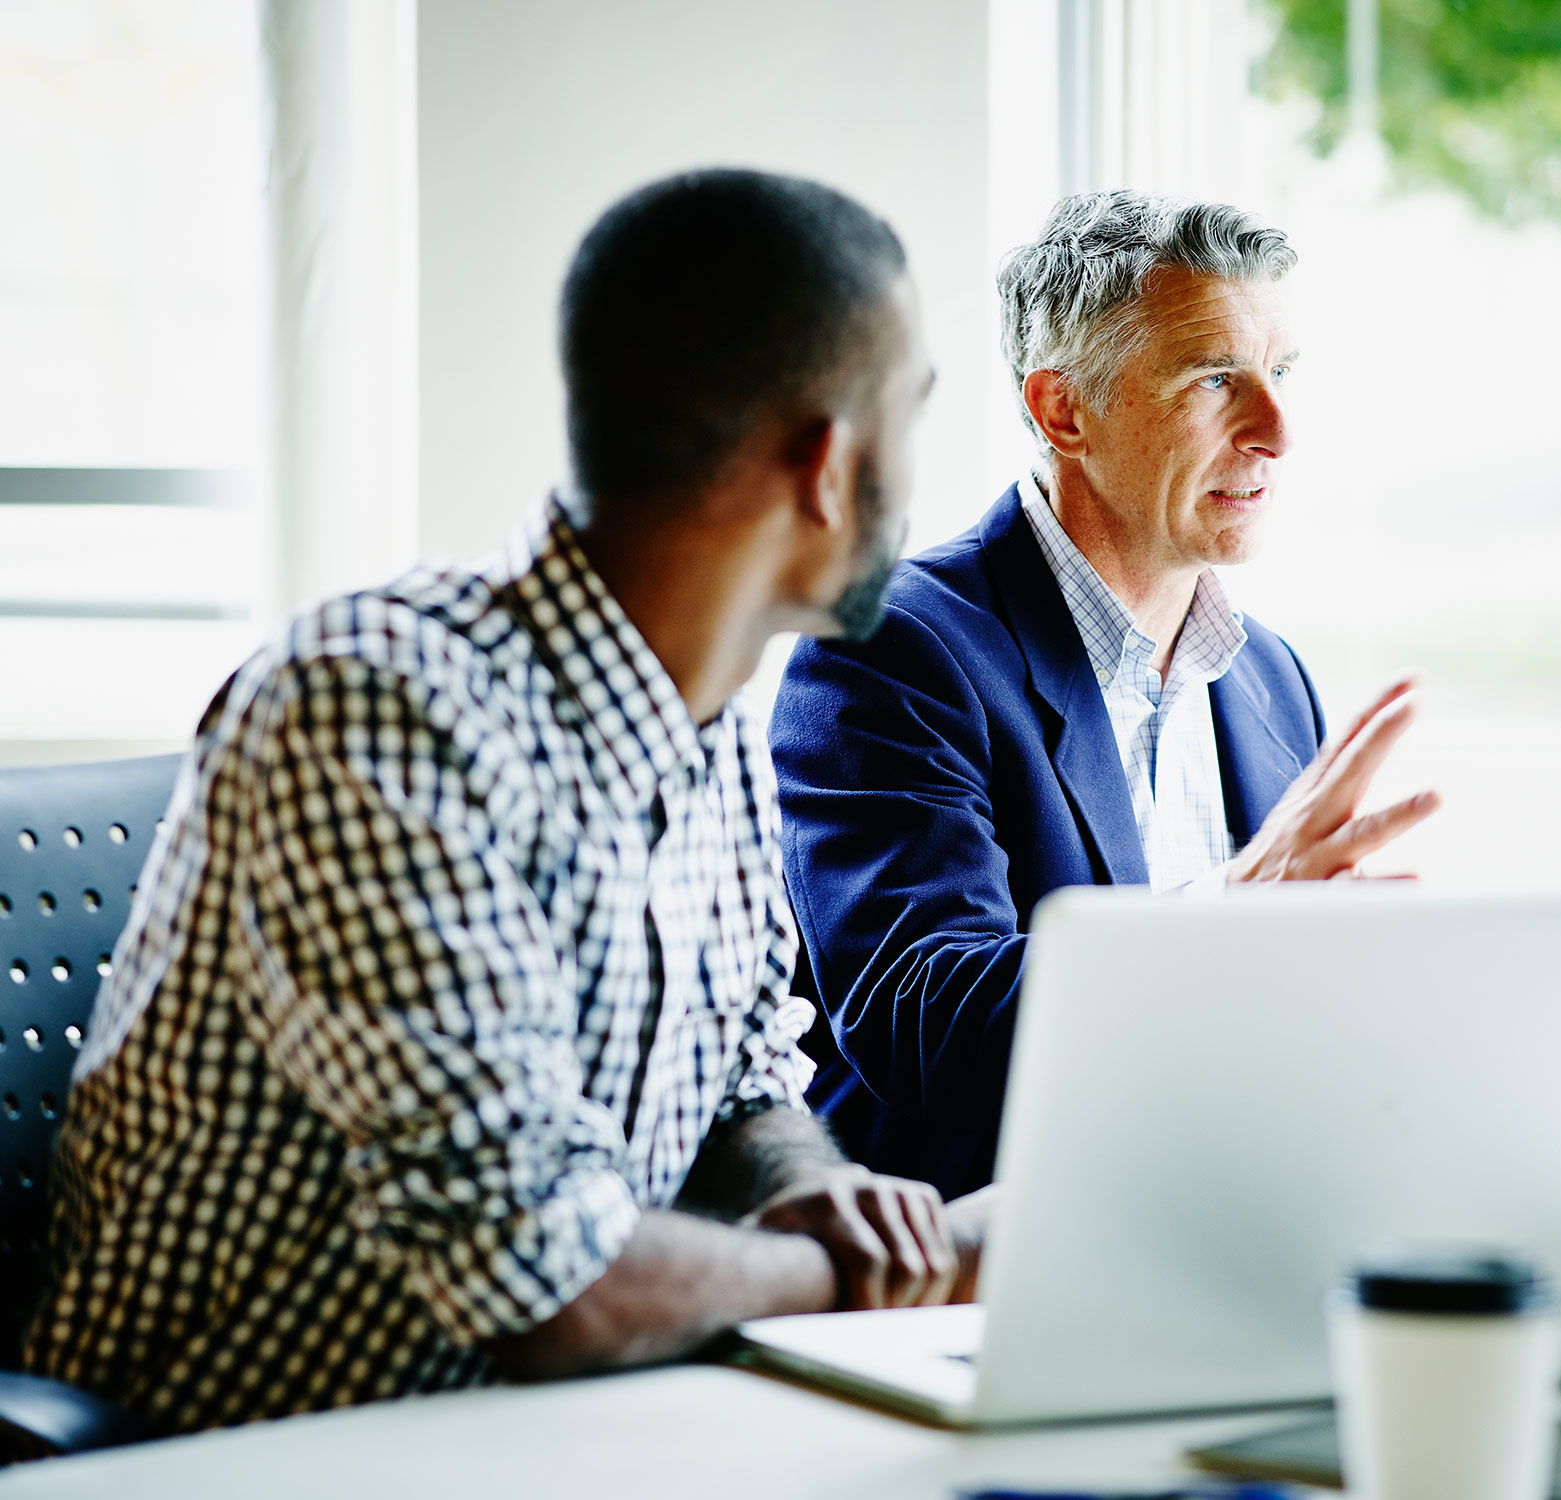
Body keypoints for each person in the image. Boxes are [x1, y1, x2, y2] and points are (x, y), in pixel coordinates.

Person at [25, 169, 980, 1436]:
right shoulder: (379, 711)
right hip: (260, 1452)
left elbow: (744, 1082)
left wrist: (822, 1192)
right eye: (914, 414)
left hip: (576, 1434)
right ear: (826, 464)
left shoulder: (717, 729)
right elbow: (542, 1280)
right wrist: (901, 1272)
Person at [770, 190, 1561, 1202]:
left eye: (1283, 373)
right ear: (1063, 410)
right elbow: (926, 1028)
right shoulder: (896, 650)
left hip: (1234, 1243)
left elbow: (1329, 1004)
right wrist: (1231, 916)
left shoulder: (1266, 678)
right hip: (967, 1283)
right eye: (1217, 379)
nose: (1279, 430)